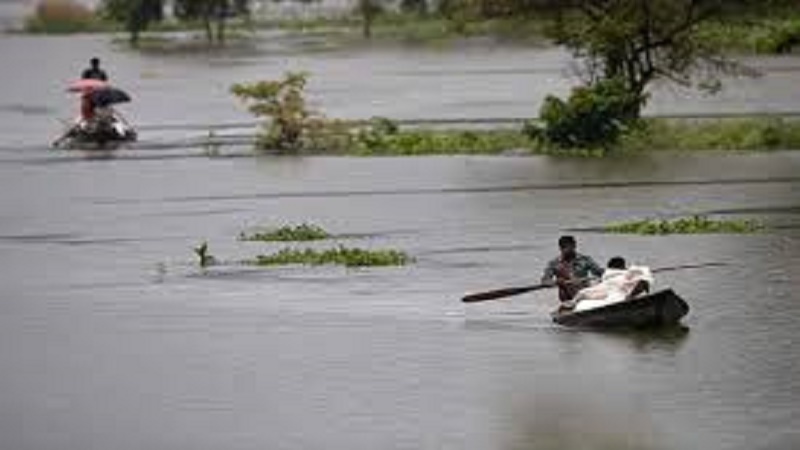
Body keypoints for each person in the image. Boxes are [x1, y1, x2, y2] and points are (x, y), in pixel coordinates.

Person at [565, 256, 654, 312]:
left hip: (618, 296)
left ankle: (631, 296)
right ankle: (631, 296)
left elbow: (583, 293)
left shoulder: (608, 279)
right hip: (623, 294)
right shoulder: (623, 275)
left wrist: (573, 302)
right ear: (623, 267)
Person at [541, 235, 604, 305]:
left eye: (570, 247)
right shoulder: (554, 263)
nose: (567, 250)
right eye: (564, 247)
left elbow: (599, 272)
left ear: (574, 246)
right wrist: (556, 282)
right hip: (567, 298)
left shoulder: (585, 260)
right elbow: (545, 281)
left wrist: (610, 272)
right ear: (560, 248)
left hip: (585, 295)